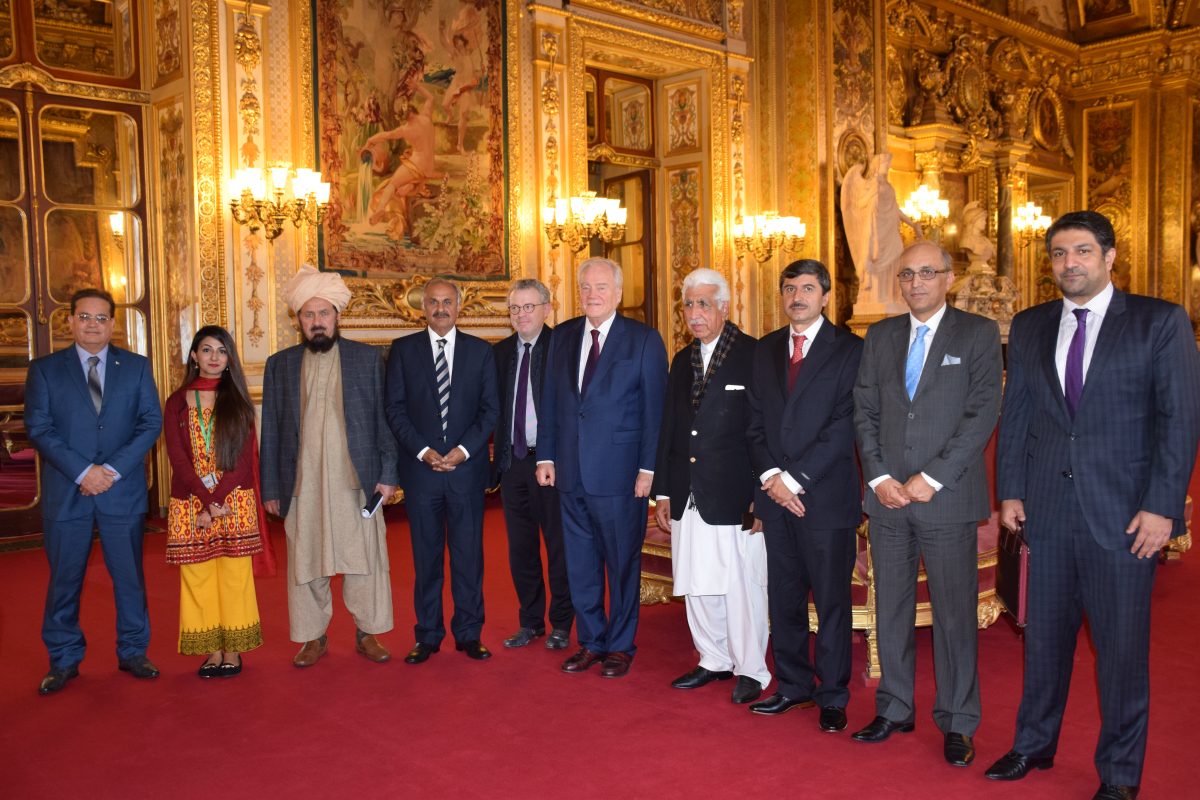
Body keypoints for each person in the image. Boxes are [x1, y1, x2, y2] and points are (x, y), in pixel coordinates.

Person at [984, 211, 1200, 800]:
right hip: (1047, 513)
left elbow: (1179, 420)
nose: (1069, 263)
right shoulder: (1029, 325)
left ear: (1109, 257)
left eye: (1081, 251)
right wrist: (1011, 490)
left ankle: (1120, 775)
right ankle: (1034, 744)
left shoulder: (1159, 321)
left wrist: (1162, 507)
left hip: (1125, 517)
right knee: (1043, 643)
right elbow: (1018, 413)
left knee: (1121, 654)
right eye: (1059, 253)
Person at [852, 241, 1002, 767]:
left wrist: (932, 477)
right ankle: (894, 707)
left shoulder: (978, 333)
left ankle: (958, 720)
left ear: (948, 278)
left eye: (927, 273)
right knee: (890, 608)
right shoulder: (881, 335)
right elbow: (865, 409)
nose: (916, 283)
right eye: (907, 274)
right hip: (888, 499)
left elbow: (983, 411)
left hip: (947, 499)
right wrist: (880, 476)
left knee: (954, 615)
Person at [744, 259, 863, 731]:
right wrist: (773, 477)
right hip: (775, 499)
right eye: (790, 288)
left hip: (825, 498)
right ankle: (793, 685)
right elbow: (753, 422)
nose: (798, 297)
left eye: (808, 289)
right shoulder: (765, 349)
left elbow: (845, 425)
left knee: (832, 602)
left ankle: (832, 695)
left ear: (826, 296)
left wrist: (795, 480)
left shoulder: (851, 349)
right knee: (784, 598)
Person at [25, 288, 163, 694]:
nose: (92, 325)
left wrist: (111, 471)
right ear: (69, 321)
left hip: (122, 491)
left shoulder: (136, 367)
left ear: (113, 324)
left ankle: (133, 651)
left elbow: (150, 422)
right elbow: (39, 428)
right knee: (64, 580)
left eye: (101, 318)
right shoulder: (45, 370)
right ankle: (64, 658)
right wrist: (84, 472)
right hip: (68, 491)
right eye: (84, 317)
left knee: (129, 577)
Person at [260, 265, 398, 668]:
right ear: (298, 319)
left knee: (365, 559)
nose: (317, 321)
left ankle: (368, 632)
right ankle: (312, 637)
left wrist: (388, 474)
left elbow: (384, 421)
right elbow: (271, 430)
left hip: (356, 482)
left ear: (338, 316)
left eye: (324, 313)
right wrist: (271, 487)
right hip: (302, 484)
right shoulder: (280, 364)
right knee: (306, 560)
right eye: (309, 314)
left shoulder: (367, 359)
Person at [536, 257, 667, 678]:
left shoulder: (643, 340)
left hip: (621, 476)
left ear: (618, 293)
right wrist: (546, 456)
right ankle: (591, 641)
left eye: (601, 287)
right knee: (580, 564)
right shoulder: (563, 336)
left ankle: (620, 646)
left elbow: (656, 413)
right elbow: (551, 401)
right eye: (586, 287)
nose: (592, 295)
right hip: (570, 473)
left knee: (622, 565)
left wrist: (648, 469)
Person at [653, 268, 767, 704]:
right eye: (688, 305)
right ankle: (713, 658)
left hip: (736, 494)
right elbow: (670, 428)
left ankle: (751, 669)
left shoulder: (755, 355)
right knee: (697, 581)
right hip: (687, 492)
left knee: (742, 586)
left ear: (724, 306)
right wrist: (664, 491)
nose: (695, 313)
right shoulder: (682, 360)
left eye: (703, 303)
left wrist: (761, 497)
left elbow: (766, 432)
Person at [386, 278, 499, 664]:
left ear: (459, 306)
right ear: (423, 307)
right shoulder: (402, 351)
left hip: (466, 474)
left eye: (447, 302)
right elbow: (394, 410)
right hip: (422, 474)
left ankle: (469, 633)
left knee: (469, 559)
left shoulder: (481, 352)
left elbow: (490, 410)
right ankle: (428, 635)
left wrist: (463, 452)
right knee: (426, 559)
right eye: (433, 302)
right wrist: (423, 451)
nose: (440, 308)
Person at [163, 326, 275, 678]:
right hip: (190, 501)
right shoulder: (176, 402)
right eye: (207, 349)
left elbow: (243, 461)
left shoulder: (238, 401)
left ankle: (233, 651)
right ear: (194, 356)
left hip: (234, 500)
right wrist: (206, 499)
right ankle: (211, 651)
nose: (214, 357)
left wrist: (218, 498)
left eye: (222, 351)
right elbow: (177, 457)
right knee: (197, 576)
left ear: (229, 359)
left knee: (234, 576)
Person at [492, 278, 574, 650]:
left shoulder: (564, 348)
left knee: (559, 547)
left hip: (552, 463)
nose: (521, 314)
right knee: (521, 549)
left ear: (547, 309)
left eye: (529, 307)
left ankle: (562, 623)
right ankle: (530, 621)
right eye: (515, 308)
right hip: (513, 463)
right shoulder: (499, 353)